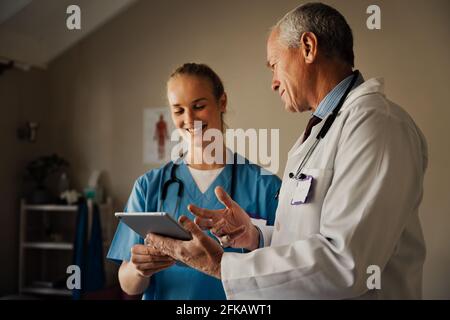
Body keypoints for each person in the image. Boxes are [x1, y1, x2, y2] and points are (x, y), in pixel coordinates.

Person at [146, 3, 428, 299]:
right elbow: (308, 240)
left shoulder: (376, 125)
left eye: (274, 65)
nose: (273, 83)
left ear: (308, 47)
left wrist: (221, 265)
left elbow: (346, 263)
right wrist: (256, 236)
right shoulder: (320, 133)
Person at [107, 63, 281, 299]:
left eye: (199, 106)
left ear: (222, 102)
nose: (189, 119)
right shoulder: (149, 187)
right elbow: (127, 284)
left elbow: (285, 269)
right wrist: (139, 269)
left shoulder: (266, 186)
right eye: (178, 111)